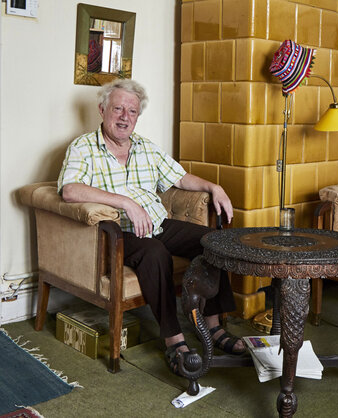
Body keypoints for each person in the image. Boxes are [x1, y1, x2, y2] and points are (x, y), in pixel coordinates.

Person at [57, 79, 245, 376]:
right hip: (117, 233)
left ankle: (213, 327)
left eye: (132, 111)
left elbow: (180, 178)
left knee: (213, 241)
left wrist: (214, 187)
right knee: (155, 253)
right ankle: (174, 339)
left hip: (156, 223)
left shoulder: (146, 147)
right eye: (118, 109)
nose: (124, 117)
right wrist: (126, 203)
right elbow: (69, 190)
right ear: (102, 110)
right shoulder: (83, 147)